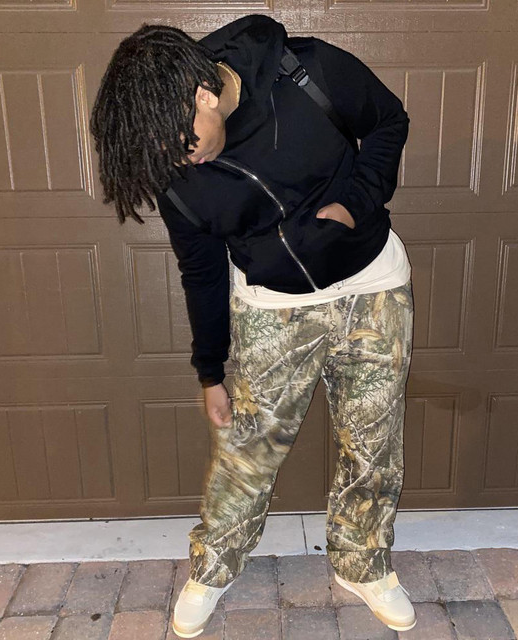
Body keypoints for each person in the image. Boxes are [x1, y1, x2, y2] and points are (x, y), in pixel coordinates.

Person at [90, 14, 415, 638]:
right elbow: (202, 272)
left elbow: (388, 122)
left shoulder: (307, 69)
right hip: (271, 307)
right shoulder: (176, 172)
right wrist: (210, 371)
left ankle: (364, 564)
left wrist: (356, 203)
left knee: (373, 446)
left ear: (205, 95)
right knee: (246, 454)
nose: (178, 160)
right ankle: (213, 569)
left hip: (373, 286)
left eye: (181, 143)